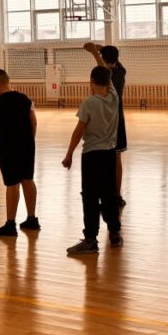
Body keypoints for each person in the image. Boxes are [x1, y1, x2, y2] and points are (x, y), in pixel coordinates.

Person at [62, 66, 122, 255]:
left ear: (91, 81)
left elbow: (78, 131)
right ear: (108, 82)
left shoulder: (89, 103)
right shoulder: (114, 98)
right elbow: (110, 82)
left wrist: (69, 154)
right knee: (110, 194)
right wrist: (97, 55)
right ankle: (114, 234)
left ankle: (90, 240)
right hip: (110, 154)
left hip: (92, 155)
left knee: (90, 197)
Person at [0, 69, 39, 237]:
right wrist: (29, 141)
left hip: (8, 147)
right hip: (27, 146)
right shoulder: (26, 99)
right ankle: (32, 219)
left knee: (12, 183)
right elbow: (34, 122)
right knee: (27, 179)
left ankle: (10, 224)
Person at [85, 43, 128, 207]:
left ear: (103, 58)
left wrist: (95, 52)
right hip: (118, 120)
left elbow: (103, 70)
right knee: (116, 158)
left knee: (103, 159)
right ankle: (116, 194)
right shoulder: (121, 71)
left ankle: (107, 194)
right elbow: (111, 62)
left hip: (105, 121)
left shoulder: (106, 76)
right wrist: (102, 49)